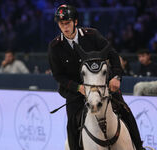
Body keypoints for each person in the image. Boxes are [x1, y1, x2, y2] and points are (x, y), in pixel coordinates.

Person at [48, 4, 145, 150]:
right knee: (72, 125)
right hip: (77, 91)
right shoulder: (55, 46)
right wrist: (78, 88)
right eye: (61, 24)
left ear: (75, 22)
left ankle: (139, 147)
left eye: (67, 23)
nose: (64, 27)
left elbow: (112, 54)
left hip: (104, 86)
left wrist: (117, 77)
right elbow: (58, 75)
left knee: (126, 111)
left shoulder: (92, 35)